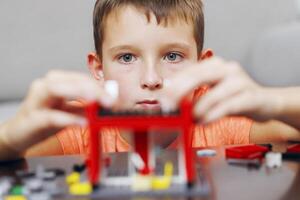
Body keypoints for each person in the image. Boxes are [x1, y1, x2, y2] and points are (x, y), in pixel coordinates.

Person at [0, 0, 299, 161]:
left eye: (172, 57)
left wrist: (270, 100)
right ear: (99, 69)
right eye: (127, 58)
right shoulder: (78, 127)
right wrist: (11, 136)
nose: (152, 79)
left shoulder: (218, 118)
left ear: (202, 65)